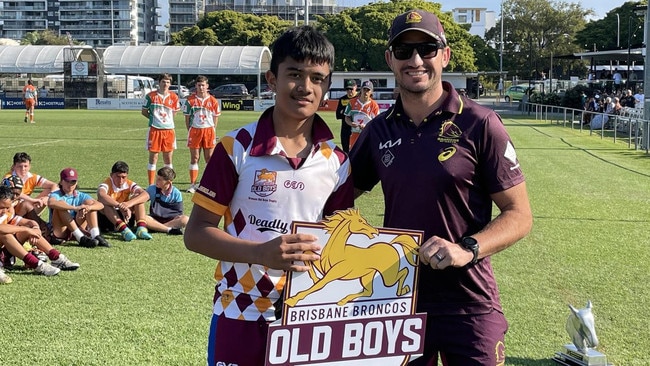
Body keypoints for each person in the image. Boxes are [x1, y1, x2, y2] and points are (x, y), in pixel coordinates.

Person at [349, 10, 532, 365]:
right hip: (398, 297)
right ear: (390, 59)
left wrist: (468, 248)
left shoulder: (480, 123)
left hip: (469, 302)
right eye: (403, 50)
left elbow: (520, 214)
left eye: (427, 48)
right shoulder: (378, 130)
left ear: (445, 55)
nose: (415, 60)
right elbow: (337, 199)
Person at [184, 25, 354, 366]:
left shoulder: (336, 162)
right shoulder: (236, 148)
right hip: (239, 310)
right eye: (294, 74)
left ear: (327, 85)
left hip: (307, 316)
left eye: (317, 78)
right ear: (272, 79)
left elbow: (339, 242)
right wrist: (261, 253)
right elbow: (196, 233)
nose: (306, 87)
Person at [0, 184, 80, 277]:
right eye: (2, 207)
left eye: (7, 207)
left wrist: (35, 228)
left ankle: (57, 258)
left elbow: (29, 222)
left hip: (5, 254)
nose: (5, 211)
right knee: (5, 234)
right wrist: (26, 229)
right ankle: (38, 265)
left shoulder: (6, 214)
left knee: (28, 230)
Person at [48, 167, 111, 248]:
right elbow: (50, 202)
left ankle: (95, 235)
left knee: (90, 204)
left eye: (73, 181)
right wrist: (75, 208)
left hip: (77, 225)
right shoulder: (56, 194)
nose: (70, 184)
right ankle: (80, 238)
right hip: (61, 230)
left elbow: (100, 205)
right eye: (67, 181)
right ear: (61, 182)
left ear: (76, 182)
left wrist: (88, 208)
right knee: (61, 205)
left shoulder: (80, 195)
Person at [4, 152, 59, 243]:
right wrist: (33, 200)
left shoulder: (32, 176)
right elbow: (16, 194)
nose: (23, 169)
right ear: (13, 166)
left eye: (25, 166)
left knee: (49, 192)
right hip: (11, 209)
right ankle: (45, 230)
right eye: (19, 166)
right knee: (26, 204)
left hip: (26, 207)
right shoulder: (8, 178)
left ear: (29, 166)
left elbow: (54, 185)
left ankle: (42, 228)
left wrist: (47, 197)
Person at [97, 161, 152, 241]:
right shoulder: (107, 184)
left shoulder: (129, 183)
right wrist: (120, 206)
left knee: (138, 197)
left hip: (126, 217)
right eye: (118, 177)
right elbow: (101, 195)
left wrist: (128, 204)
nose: (121, 180)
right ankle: (124, 230)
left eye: (123, 177)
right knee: (104, 204)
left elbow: (146, 195)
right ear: (111, 175)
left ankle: (141, 229)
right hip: (108, 219)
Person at [183, 75, 221, 193]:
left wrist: (213, 130)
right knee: (194, 158)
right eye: (199, 85)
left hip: (208, 131)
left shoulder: (213, 101)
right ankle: (193, 184)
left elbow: (215, 118)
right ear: (196, 86)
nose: (201, 87)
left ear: (207, 86)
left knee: (209, 158)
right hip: (195, 131)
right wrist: (190, 130)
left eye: (203, 85)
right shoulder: (190, 101)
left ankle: (206, 183)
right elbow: (187, 118)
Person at [142, 73, 181, 185]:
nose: (165, 84)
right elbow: (144, 111)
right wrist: (154, 119)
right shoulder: (151, 96)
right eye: (163, 81)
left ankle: (167, 183)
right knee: (153, 158)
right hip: (155, 130)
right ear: (159, 83)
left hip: (169, 131)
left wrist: (166, 122)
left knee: (168, 159)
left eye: (168, 82)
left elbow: (174, 113)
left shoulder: (174, 97)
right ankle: (151, 185)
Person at [144, 167, 187, 235]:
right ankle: (168, 229)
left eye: (159, 179)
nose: (156, 181)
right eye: (157, 178)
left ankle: (155, 227)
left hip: (171, 221)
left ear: (168, 182)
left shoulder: (177, 193)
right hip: (154, 219)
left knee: (185, 219)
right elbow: (141, 199)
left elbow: (179, 214)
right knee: (143, 218)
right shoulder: (152, 189)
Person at [345, 80, 380, 149]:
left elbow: (377, 123)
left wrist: (367, 126)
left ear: (371, 91)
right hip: (355, 134)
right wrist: (351, 123)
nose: (365, 92)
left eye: (368, 90)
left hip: (368, 135)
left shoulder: (374, 105)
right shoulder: (352, 102)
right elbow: (347, 117)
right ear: (361, 89)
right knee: (353, 156)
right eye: (364, 89)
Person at [336, 79, 358, 152]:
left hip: (357, 129)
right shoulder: (342, 99)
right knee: (345, 150)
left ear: (356, 87)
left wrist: (344, 112)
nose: (349, 91)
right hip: (345, 128)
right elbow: (338, 115)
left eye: (351, 89)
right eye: (347, 89)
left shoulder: (359, 98)